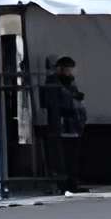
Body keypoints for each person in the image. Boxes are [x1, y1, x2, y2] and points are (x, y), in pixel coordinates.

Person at [37, 55, 90, 193]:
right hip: (60, 125)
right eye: (67, 69)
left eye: (71, 69)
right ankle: (63, 184)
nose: (70, 72)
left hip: (74, 125)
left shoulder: (71, 82)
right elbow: (52, 103)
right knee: (61, 156)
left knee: (73, 155)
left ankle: (72, 183)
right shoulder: (52, 82)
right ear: (60, 69)